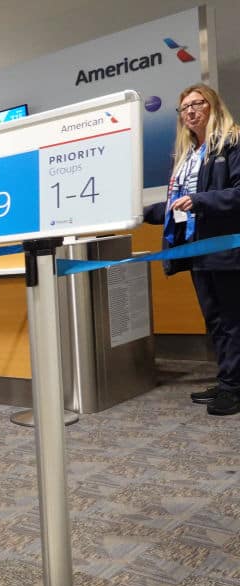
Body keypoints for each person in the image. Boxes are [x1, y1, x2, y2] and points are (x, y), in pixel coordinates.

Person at [144, 84, 240, 416]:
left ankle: (234, 387)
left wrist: (200, 201)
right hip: (196, 248)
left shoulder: (232, 142)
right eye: (184, 108)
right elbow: (176, 204)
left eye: (198, 104)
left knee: (232, 319)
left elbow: (236, 194)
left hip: (227, 248)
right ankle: (229, 379)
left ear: (213, 106)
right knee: (214, 319)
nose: (191, 111)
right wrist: (140, 213)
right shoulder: (187, 155)